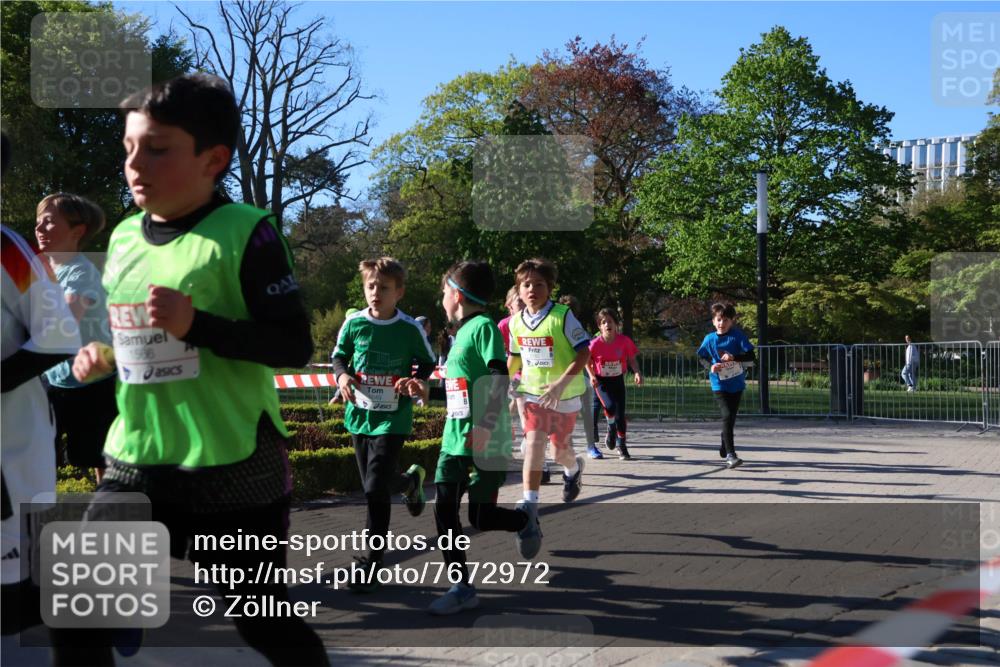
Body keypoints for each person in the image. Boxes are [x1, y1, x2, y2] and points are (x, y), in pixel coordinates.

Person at [71, 73, 328, 665]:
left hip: (231, 464)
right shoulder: (126, 237)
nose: (136, 164)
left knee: (266, 627)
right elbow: (134, 337)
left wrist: (200, 326)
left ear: (214, 158)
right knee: (77, 605)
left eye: (157, 149)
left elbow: (291, 344)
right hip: (137, 458)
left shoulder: (248, 232)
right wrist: (103, 356)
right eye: (129, 148)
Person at [427, 261, 534, 615]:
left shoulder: (483, 326)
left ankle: (523, 520)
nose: (441, 297)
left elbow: (497, 374)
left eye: (444, 290)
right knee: (444, 510)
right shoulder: (459, 336)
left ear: (456, 294)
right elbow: (460, 389)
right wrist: (426, 392)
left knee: (480, 518)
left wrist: (486, 425)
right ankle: (462, 586)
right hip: (454, 441)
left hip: (485, 440)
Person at [331, 257, 436, 592]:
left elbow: (427, 362)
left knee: (375, 489)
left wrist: (415, 381)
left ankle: (369, 564)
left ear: (399, 292)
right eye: (371, 286)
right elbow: (338, 357)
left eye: (384, 288)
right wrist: (343, 375)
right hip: (359, 417)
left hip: (393, 418)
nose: (376, 292)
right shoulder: (353, 324)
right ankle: (409, 482)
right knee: (374, 486)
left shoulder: (409, 328)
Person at [35, 193, 116, 484]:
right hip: (53, 379)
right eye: (38, 224)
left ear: (77, 231)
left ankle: (111, 514)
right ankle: (34, 517)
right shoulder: (44, 272)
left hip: (92, 383)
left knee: (100, 458)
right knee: (41, 455)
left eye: (48, 222)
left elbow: (62, 325)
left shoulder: (81, 272)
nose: (40, 230)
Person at [508, 258, 591, 523]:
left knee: (559, 452)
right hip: (533, 395)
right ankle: (529, 503)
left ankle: (573, 469)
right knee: (533, 442)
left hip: (564, 396)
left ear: (550, 287)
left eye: (539, 284)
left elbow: (584, 354)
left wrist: (560, 384)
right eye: (526, 284)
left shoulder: (562, 316)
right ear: (519, 290)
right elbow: (515, 358)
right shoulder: (516, 323)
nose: (532, 289)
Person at [696, 302, 756, 470]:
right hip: (719, 384)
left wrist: (734, 358)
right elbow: (701, 357)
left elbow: (751, 356)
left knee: (730, 419)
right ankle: (731, 455)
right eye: (719, 320)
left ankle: (725, 444)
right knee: (727, 415)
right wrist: (711, 366)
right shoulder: (709, 339)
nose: (722, 323)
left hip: (737, 384)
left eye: (726, 320)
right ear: (714, 321)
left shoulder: (737, 336)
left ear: (732, 321)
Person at [587, 308, 642, 461]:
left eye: (610, 322)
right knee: (609, 407)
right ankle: (610, 427)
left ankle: (622, 446)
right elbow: (586, 360)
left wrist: (637, 372)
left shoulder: (624, 341)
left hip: (617, 380)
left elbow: (631, 359)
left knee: (620, 416)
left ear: (616, 324)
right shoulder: (595, 344)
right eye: (603, 322)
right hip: (601, 381)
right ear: (599, 326)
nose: (607, 325)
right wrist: (591, 375)